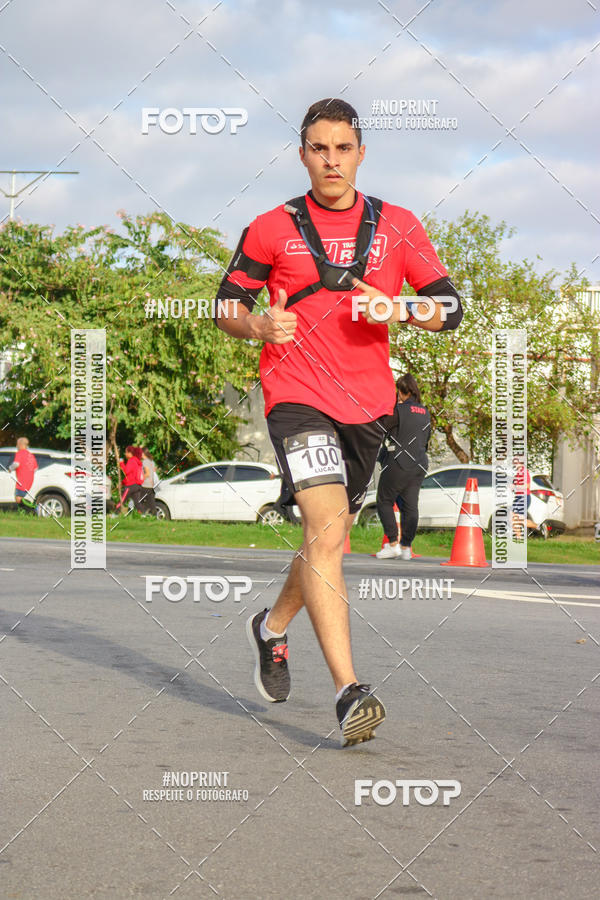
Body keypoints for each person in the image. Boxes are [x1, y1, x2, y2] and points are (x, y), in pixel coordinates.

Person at [214, 97, 462, 745]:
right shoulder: (271, 227)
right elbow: (225, 306)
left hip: (368, 405)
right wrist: (257, 325)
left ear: (360, 153)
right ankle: (350, 692)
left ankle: (270, 628)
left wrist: (401, 312)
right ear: (303, 154)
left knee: (330, 539)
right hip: (295, 394)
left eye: (342, 148)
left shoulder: (399, 226)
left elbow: (450, 307)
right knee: (326, 530)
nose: (331, 159)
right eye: (319, 148)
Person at [375, 374, 431, 560]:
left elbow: (381, 427)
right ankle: (406, 547)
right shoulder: (425, 412)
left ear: (401, 391)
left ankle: (392, 543)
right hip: (419, 463)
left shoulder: (398, 410)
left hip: (398, 462)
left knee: (384, 500)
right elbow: (426, 439)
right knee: (410, 506)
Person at [9, 437, 38, 514]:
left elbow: (16, 464)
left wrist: (10, 469)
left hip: (22, 480)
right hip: (30, 480)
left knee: (18, 498)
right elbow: (36, 468)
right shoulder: (30, 455)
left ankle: (33, 508)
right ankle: (23, 512)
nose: (16, 446)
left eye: (17, 444)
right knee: (20, 497)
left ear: (20, 444)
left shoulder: (19, 453)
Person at [118, 446, 144, 512]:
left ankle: (115, 513)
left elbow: (126, 471)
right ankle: (143, 515)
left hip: (130, 485)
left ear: (130, 453)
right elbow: (130, 476)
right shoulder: (138, 462)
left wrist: (121, 463)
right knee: (137, 502)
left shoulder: (131, 461)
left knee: (122, 500)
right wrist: (122, 483)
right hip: (137, 485)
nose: (125, 454)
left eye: (126, 452)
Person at [139, 447, 159, 516]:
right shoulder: (151, 461)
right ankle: (154, 515)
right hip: (151, 485)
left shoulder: (145, 462)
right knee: (152, 502)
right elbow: (154, 471)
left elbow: (147, 473)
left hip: (145, 485)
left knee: (140, 500)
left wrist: (140, 480)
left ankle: (143, 514)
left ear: (143, 453)